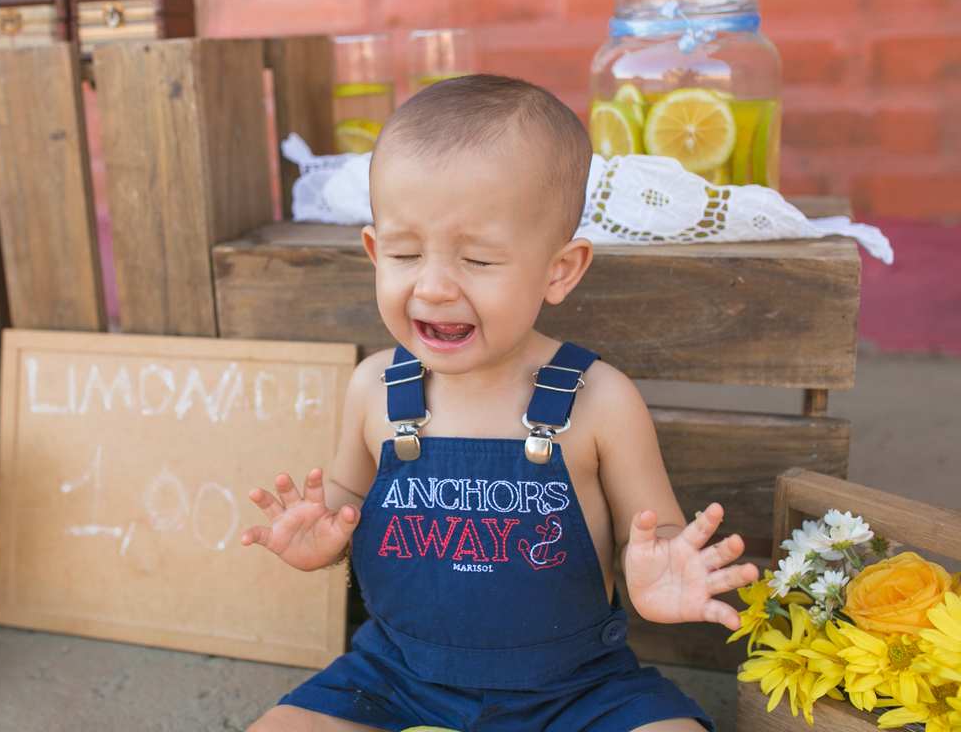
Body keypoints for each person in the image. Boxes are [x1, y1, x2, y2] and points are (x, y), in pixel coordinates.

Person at [241, 74, 758, 732]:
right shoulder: (375, 388)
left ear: (559, 269)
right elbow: (348, 490)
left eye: (478, 261)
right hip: (395, 676)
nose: (432, 286)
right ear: (373, 251)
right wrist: (326, 532)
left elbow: (649, 532)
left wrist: (657, 572)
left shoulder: (599, 401)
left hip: (576, 689)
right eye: (403, 253)